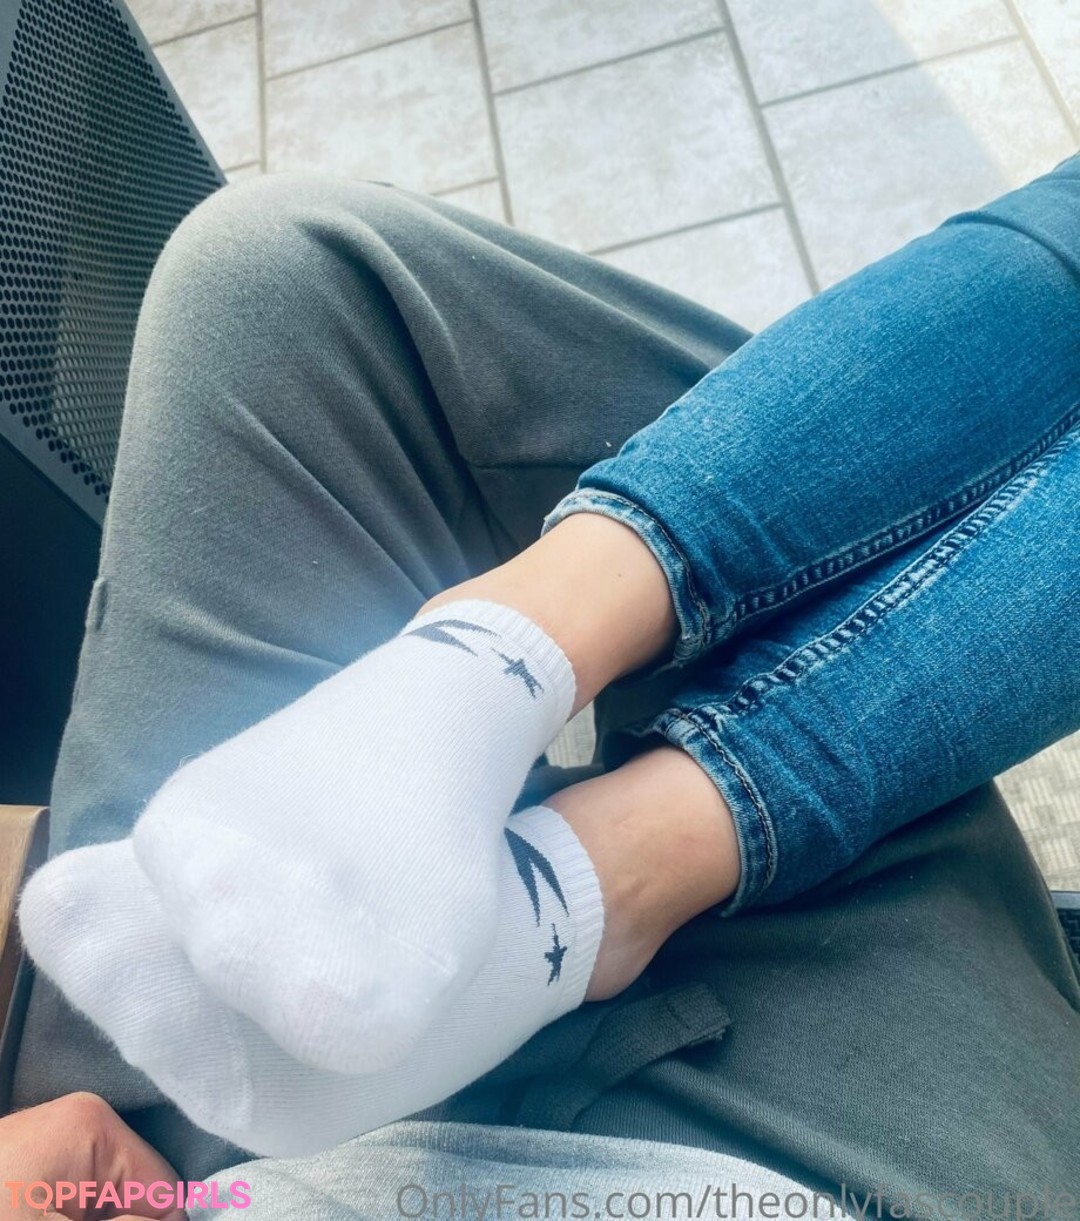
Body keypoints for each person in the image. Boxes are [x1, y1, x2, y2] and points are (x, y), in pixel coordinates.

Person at [7, 147, 1080, 1217]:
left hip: (205, 1160)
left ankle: (500, 660)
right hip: (775, 1171)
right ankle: (595, 867)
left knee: (274, 281)